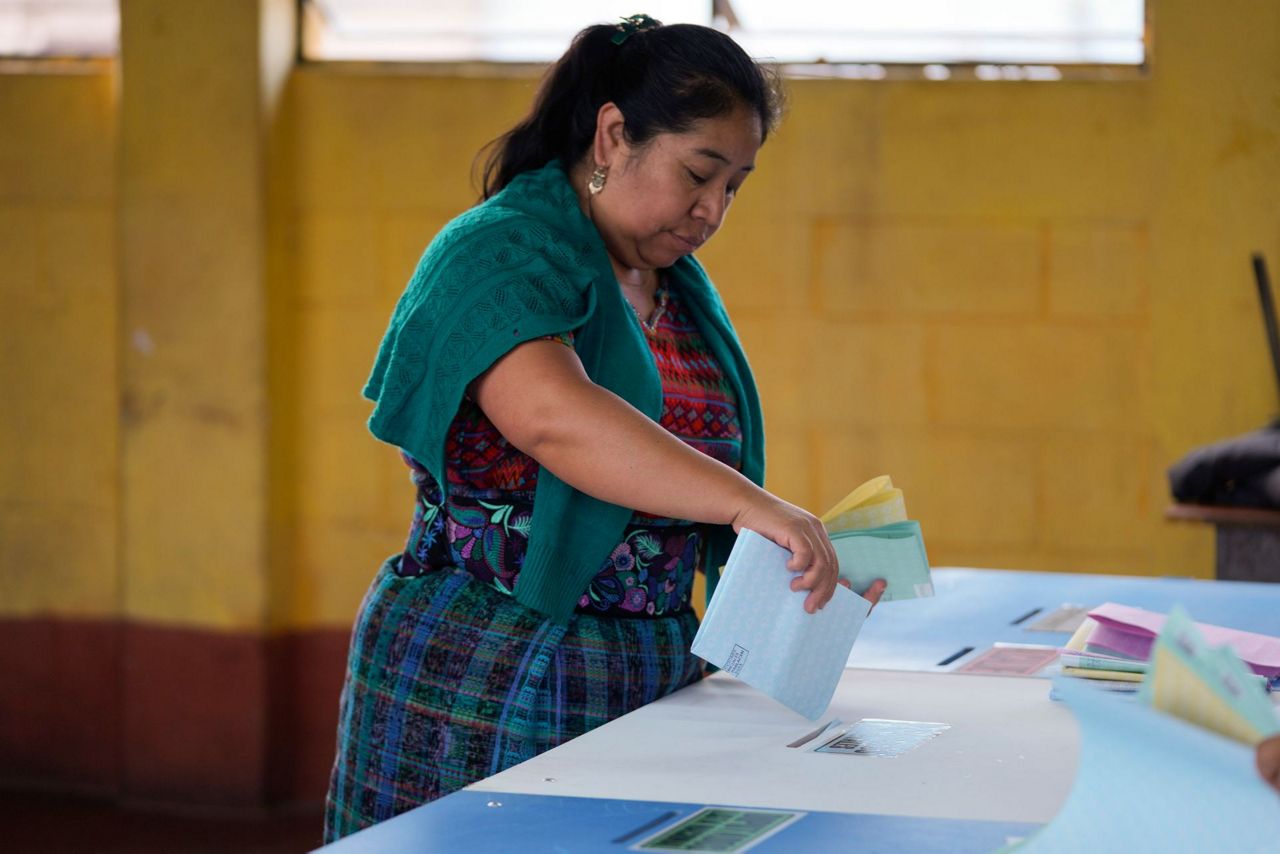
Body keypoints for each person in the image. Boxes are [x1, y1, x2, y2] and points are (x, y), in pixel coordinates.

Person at [323, 14, 885, 841]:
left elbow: (671, 487)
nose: (712, 210)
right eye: (699, 173)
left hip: (651, 672)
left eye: (735, 185)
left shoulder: (677, 291)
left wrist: (797, 582)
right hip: (492, 671)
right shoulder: (499, 251)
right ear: (614, 134)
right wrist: (751, 507)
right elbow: (557, 420)